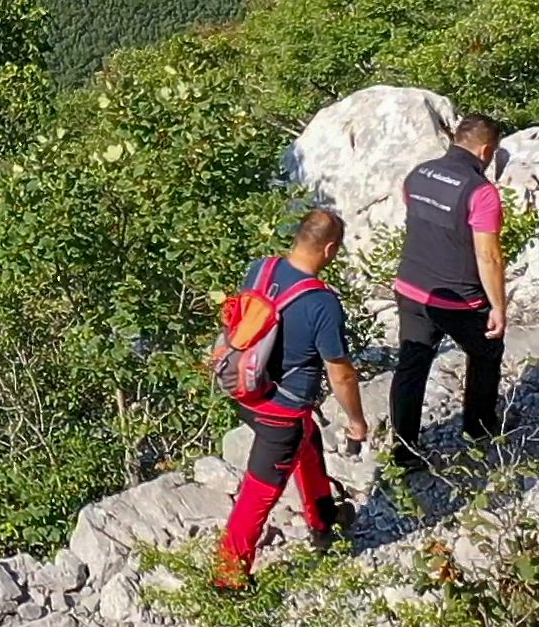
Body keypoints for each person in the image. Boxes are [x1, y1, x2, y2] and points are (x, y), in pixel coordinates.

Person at [214, 208, 369, 587]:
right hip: (280, 413)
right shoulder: (322, 303)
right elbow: (340, 372)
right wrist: (356, 421)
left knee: (309, 441)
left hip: (245, 390)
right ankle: (227, 577)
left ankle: (323, 522)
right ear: (330, 249)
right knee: (260, 491)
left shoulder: (260, 268)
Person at [388, 113, 507, 474]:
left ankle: (405, 451)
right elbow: (488, 256)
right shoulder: (480, 192)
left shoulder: (418, 173)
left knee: (412, 364)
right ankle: (479, 430)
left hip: (410, 286)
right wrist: (498, 306)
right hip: (458, 298)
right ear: (486, 149)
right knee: (487, 350)